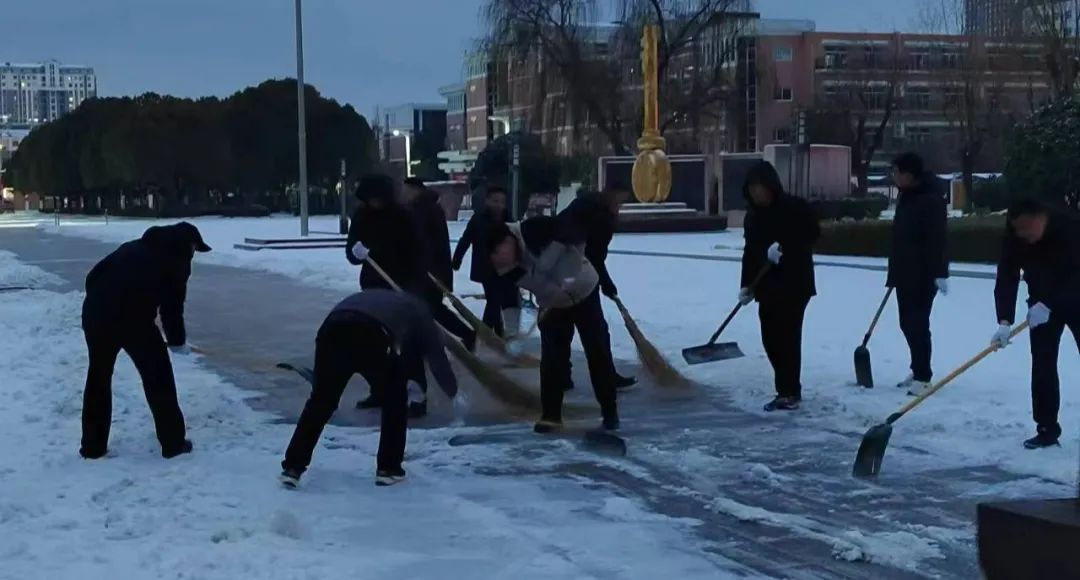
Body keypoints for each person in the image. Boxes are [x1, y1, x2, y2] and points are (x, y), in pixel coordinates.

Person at [280, 289, 461, 488]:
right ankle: (389, 469)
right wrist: (453, 392)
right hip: (370, 333)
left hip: (332, 329)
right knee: (394, 401)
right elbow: (437, 358)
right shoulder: (420, 313)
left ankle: (293, 468)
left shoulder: (386, 299)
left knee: (321, 402)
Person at [79, 222, 211, 459]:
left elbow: (94, 276)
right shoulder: (177, 260)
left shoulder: (136, 247)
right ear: (187, 245)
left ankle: (93, 447)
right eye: (194, 248)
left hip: (96, 312)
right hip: (133, 320)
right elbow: (172, 308)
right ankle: (173, 444)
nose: (193, 254)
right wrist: (177, 342)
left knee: (98, 377)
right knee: (158, 377)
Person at [486, 216, 620, 432]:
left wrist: (561, 261)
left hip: (585, 291)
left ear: (508, 239)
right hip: (553, 305)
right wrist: (553, 295)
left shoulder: (533, 229)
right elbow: (535, 283)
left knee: (597, 350)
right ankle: (550, 415)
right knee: (552, 358)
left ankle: (609, 411)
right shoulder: (505, 267)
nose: (499, 258)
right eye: (493, 256)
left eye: (498, 250)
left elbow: (575, 231)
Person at [992, 199, 1080, 449]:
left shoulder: (1070, 227)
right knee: (1042, 365)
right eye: (1017, 229)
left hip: (1075, 298)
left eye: (1027, 228)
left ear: (1042, 217)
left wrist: (1051, 303)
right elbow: (1007, 274)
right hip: (1040, 304)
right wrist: (1004, 320)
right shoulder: (1015, 235)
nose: (1023, 235)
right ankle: (1046, 428)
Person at [739, 161, 820, 412]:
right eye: (752, 189)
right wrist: (745, 285)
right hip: (766, 285)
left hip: (794, 283)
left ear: (771, 186)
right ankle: (786, 386)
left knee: (787, 336)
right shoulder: (752, 217)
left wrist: (786, 247)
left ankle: (788, 392)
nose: (757, 193)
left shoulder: (794, 208)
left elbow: (812, 234)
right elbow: (750, 253)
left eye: (760, 188)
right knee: (770, 337)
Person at [400, 177, 477, 418]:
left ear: (414, 190)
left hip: (424, 277)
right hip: (431, 276)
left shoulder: (421, 211)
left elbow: (423, 246)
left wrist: (422, 273)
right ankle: (467, 333)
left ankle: (422, 395)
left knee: (420, 330)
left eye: (406, 190)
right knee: (434, 312)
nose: (404, 194)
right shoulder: (430, 208)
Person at [559, 186, 638, 390]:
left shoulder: (580, 207)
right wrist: (605, 282)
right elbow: (594, 256)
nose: (620, 207)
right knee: (596, 333)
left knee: (561, 331)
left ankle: (562, 376)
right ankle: (606, 377)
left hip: (557, 274)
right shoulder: (601, 218)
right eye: (620, 202)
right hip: (580, 279)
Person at [886, 153, 950, 396]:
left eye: (896, 172)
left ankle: (924, 376)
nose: (894, 176)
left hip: (923, 273)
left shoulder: (930, 199)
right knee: (907, 323)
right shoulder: (907, 196)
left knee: (917, 323)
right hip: (905, 271)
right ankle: (918, 367)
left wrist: (939, 272)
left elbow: (937, 239)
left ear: (909, 174)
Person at [452, 186, 522, 337]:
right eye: (495, 201)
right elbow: (466, 239)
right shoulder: (478, 219)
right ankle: (485, 336)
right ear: (487, 201)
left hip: (506, 268)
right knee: (494, 301)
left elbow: (517, 241)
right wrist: (457, 258)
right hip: (486, 268)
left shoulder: (508, 219)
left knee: (494, 301)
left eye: (502, 201)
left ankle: (492, 334)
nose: (499, 205)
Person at [345, 173, 424, 294]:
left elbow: (414, 250)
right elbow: (352, 247)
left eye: (377, 198)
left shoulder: (401, 215)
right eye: (370, 198)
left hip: (399, 282)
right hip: (371, 282)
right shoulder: (361, 215)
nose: (374, 202)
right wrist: (355, 253)